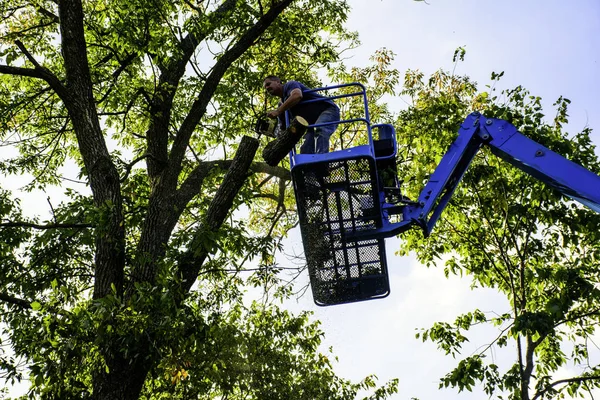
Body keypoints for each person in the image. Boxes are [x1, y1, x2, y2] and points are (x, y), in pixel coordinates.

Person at [263, 76, 340, 154]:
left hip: (328, 110)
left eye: (268, 84)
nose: (267, 88)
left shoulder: (290, 85)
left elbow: (297, 95)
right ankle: (309, 165)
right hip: (312, 125)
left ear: (278, 82)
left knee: (320, 128)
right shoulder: (281, 105)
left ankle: (322, 161)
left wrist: (278, 111)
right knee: (306, 148)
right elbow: (282, 128)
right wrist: (273, 133)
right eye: (265, 87)